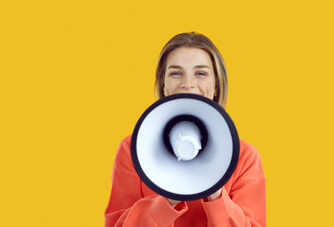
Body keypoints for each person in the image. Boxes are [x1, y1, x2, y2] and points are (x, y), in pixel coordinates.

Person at [104, 32, 266, 227]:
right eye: (176, 73)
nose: (187, 84)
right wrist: (167, 200)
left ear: (216, 86)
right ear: (163, 86)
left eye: (201, 73)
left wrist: (215, 193)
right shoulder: (132, 150)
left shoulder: (245, 157)